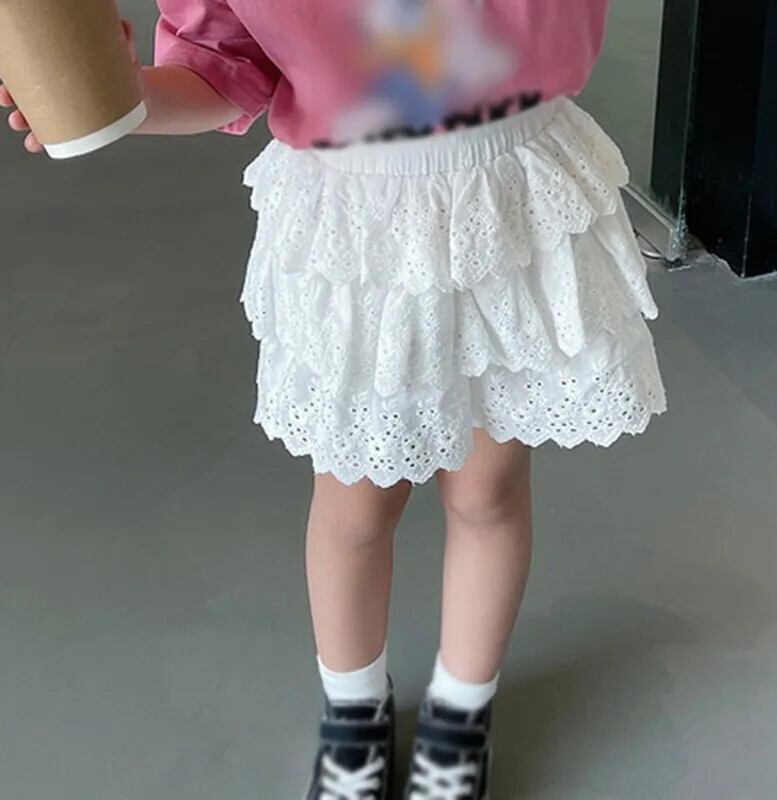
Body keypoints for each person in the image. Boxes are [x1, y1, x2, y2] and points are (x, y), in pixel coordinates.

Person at [1, 2, 667, 796]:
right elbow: (226, 69)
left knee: (489, 490)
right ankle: (354, 710)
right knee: (355, 507)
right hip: (362, 226)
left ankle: (462, 711)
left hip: (509, 194)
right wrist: (123, 95)